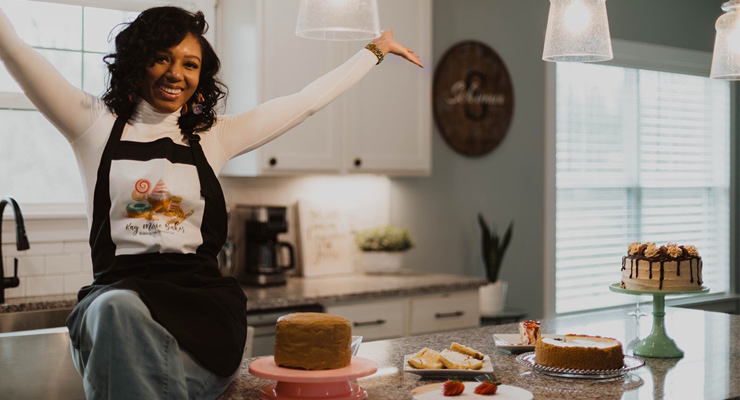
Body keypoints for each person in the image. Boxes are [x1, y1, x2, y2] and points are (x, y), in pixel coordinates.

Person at [0, 5, 422, 400]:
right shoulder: (93, 124)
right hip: (119, 303)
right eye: (162, 58)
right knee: (115, 308)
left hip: (200, 313)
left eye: (190, 64)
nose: (176, 74)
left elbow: (305, 103)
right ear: (137, 61)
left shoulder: (213, 136)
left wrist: (373, 52)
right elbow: (15, 50)